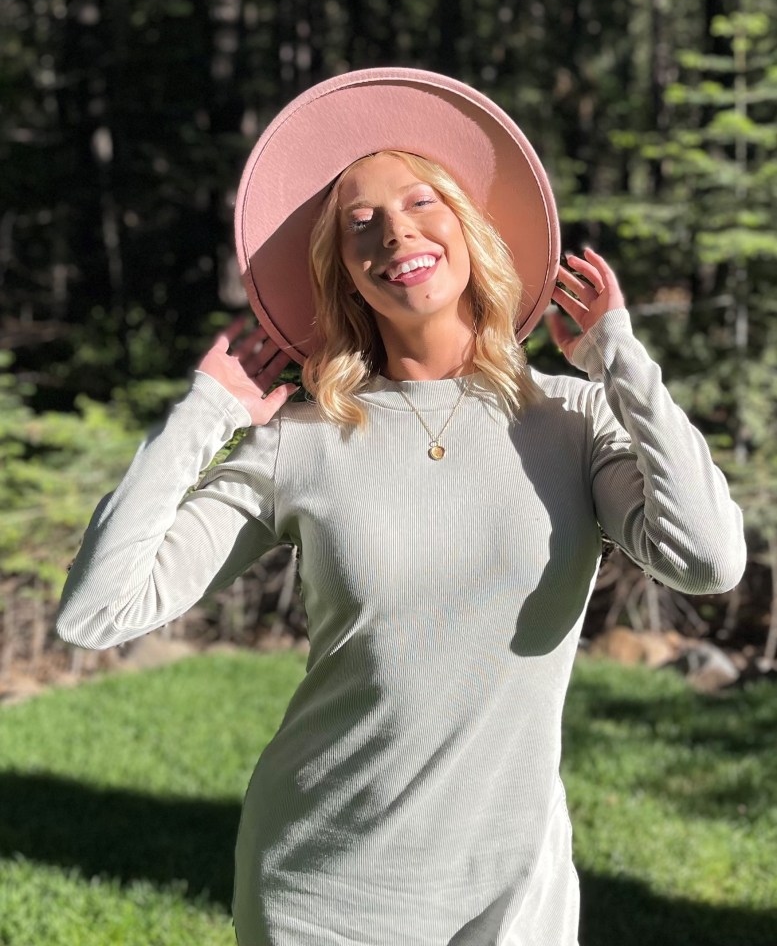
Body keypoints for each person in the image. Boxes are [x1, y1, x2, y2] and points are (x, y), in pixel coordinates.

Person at [56, 69, 746, 946]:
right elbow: (97, 612)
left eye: (422, 202)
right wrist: (206, 414)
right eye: (361, 224)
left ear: (469, 229)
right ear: (344, 275)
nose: (395, 232)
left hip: (512, 894)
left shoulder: (574, 420)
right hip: (321, 893)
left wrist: (620, 360)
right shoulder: (303, 440)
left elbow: (705, 558)